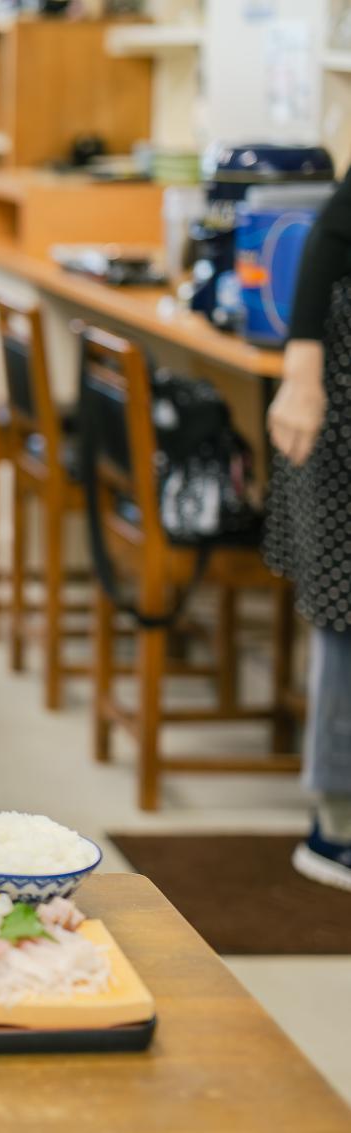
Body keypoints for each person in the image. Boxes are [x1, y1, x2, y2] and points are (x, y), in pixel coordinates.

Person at [265, 173, 351, 892]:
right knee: (344, 604)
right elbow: (330, 231)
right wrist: (303, 371)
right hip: (335, 384)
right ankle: (335, 827)